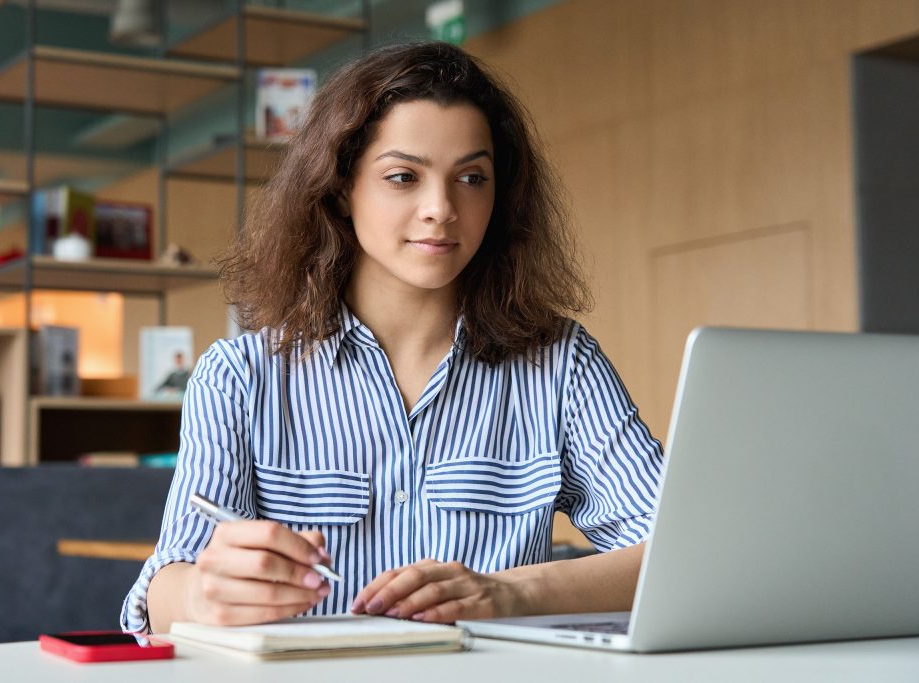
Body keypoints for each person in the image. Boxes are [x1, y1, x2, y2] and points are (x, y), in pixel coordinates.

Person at [122, 41, 663, 635]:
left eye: (472, 177)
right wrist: (204, 595)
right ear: (339, 188)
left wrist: (511, 594)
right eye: (403, 177)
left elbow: (679, 552)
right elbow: (164, 590)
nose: (441, 208)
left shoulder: (561, 364)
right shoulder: (240, 376)